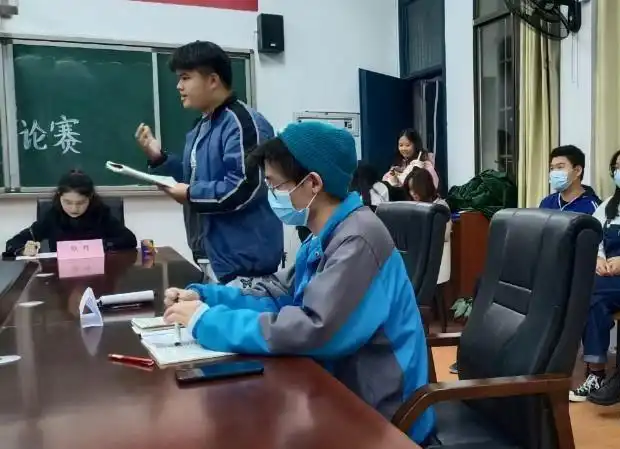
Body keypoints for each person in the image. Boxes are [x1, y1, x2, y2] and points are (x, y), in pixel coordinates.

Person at [162, 121, 435, 445]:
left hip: (383, 413)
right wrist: (207, 299)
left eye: (275, 185)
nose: (271, 195)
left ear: (313, 183)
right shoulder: (323, 236)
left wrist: (208, 323)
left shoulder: (359, 239)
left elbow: (313, 329)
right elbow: (280, 295)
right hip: (339, 390)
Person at [135, 40, 283, 284]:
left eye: (185, 78)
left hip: (245, 262)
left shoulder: (242, 123)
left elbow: (244, 187)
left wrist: (190, 194)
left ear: (213, 80)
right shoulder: (202, 125)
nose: (179, 86)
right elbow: (194, 180)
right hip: (211, 255)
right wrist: (159, 159)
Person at [569, 149, 620, 404]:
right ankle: (597, 374)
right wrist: (598, 259)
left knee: (590, 291)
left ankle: (597, 373)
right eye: (617, 167)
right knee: (592, 297)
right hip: (608, 277)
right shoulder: (609, 205)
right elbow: (594, 236)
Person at [3, 170, 137, 257]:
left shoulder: (101, 213)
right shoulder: (52, 216)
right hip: (60, 279)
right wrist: (23, 250)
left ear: (90, 197)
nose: (74, 209)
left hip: (97, 275)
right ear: (59, 196)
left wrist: (99, 246)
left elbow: (129, 239)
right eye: (67, 202)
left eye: (80, 203)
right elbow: (12, 244)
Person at [539, 145, 600, 214]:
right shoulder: (547, 202)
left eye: (560, 167)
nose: (554, 172)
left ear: (577, 171)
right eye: (552, 168)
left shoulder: (593, 207)